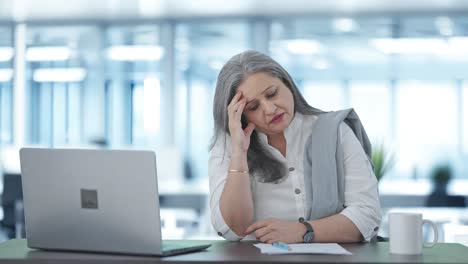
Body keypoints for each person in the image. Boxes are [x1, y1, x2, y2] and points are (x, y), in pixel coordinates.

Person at [209, 50, 381, 244]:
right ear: (241, 115)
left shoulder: (336, 131)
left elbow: (367, 215)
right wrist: (239, 153)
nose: (270, 109)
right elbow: (233, 230)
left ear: (287, 84)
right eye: (253, 107)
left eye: (272, 94)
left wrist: (302, 231)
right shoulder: (228, 147)